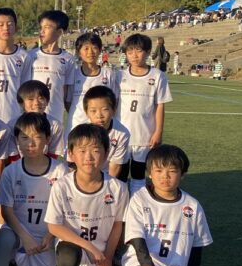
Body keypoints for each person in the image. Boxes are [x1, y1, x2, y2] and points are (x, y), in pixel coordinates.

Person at [45, 124, 129, 266]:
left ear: (106, 153)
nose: (89, 157)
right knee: (68, 253)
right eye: (82, 150)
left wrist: (107, 258)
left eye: (95, 150)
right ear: (71, 154)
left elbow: (117, 226)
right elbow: (54, 226)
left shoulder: (118, 188)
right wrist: (89, 247)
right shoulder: (62, 186)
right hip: (75, 247)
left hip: (99, 254)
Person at [0, 113, 68, 266]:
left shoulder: (60, 170)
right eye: (24, 137)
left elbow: (64, 211)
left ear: (48, 139)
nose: (30, 143)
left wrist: (49, 236)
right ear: (17, 141)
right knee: (4, 237)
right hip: (19, 232)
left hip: (46, 238)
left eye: (37, 137)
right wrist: (25, 237)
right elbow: (7, 211)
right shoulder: (11, 171)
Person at [118, 34, 173, 194]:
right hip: (121, 136)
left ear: (148, 52)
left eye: (139, 51)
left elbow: (160, 105)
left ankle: (138, 204)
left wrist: (158, 131)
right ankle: (120, 205)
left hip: (144, 135)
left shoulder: (157, 76)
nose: (134, 56)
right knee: (120, 175)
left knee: (138, 174)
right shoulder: (119, 76)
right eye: (130, 52)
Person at [21, 10, 74, 125]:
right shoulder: (30, 56)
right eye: (41, 27)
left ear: (59, 32)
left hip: (55, 119)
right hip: (32, 119)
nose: (42, 31)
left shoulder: (68, 59)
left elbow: (66, 95)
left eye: (47, 27)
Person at [66, 33, 119, 140]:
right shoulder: (73, 74)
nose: (90, 52)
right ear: (78, 52)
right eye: (86, 48)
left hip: (101, 128)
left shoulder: (108, 74)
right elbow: (68, 102)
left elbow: (114, 101)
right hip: (76, 126)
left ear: (99, 50)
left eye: (94, 48)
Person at [82, 85, 130, 180]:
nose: (99, 115)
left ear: (114, 110)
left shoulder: (122, 133)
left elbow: (114, 167)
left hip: (107, 175)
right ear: (86, 112)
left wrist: (105, 185)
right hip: (86, 173)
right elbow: (75, 164)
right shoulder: (80, 132)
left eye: (105, 110)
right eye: (93, 111)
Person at [15, 80, 64, 158]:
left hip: (45, 164)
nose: (36, 103)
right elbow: (12, 154)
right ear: (21, 103)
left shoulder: (55, 125)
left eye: (41, 98)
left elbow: (54, 153)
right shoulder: (13, 124)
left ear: (47, 101)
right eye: (31, 99)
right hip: (19, 164)